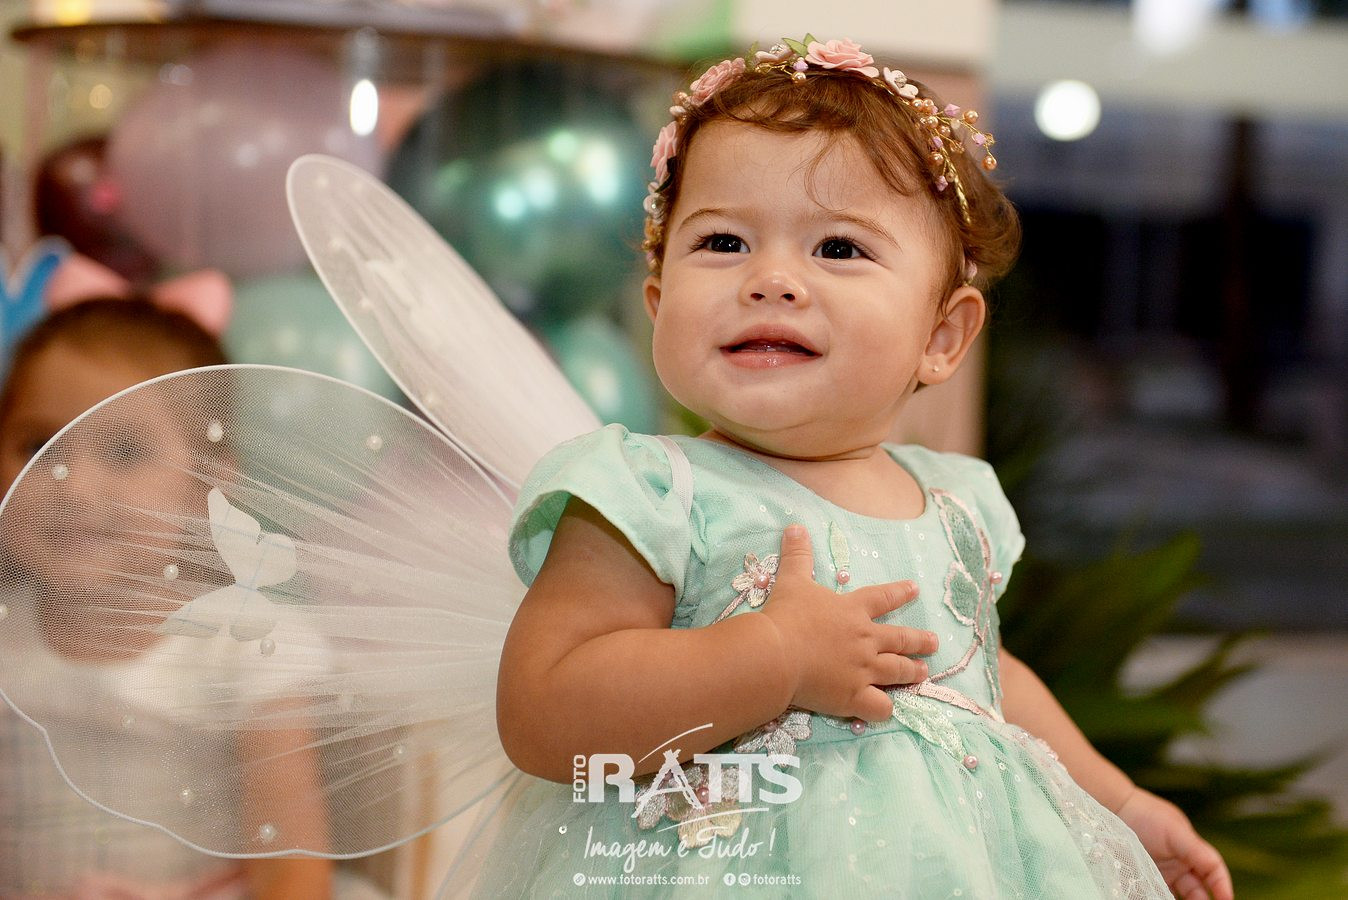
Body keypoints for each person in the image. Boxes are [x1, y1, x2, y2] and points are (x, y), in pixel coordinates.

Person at [481, 38, 1234, 898]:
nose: (772, 280)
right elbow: (541, 715)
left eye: (838, 249)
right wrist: (772, 654)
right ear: (657, 302)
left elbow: (984, 691)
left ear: (941, 336)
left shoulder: (955, 502)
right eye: (723, 241)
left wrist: (1120, 803)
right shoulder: (653, 495)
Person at [0, 298, 335, 899]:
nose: (73, 486)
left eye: (123, 451)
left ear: (209, 481)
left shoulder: (244, 648)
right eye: (39, 445)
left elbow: (293, 871)